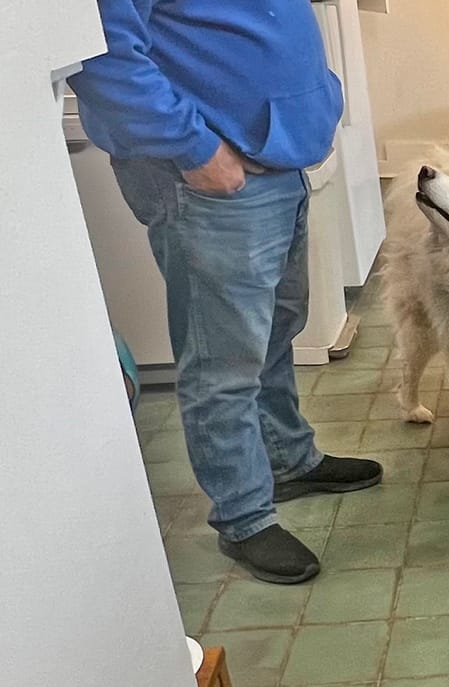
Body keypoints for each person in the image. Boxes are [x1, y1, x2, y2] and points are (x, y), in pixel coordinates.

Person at [69, 2, 382, 585]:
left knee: (275, 327)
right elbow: (102, 51)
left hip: (273, 162)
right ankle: (244, 518)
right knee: (223, 359)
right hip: (211, 175)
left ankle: (288, 459)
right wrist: (194, 148)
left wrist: (318, 96)